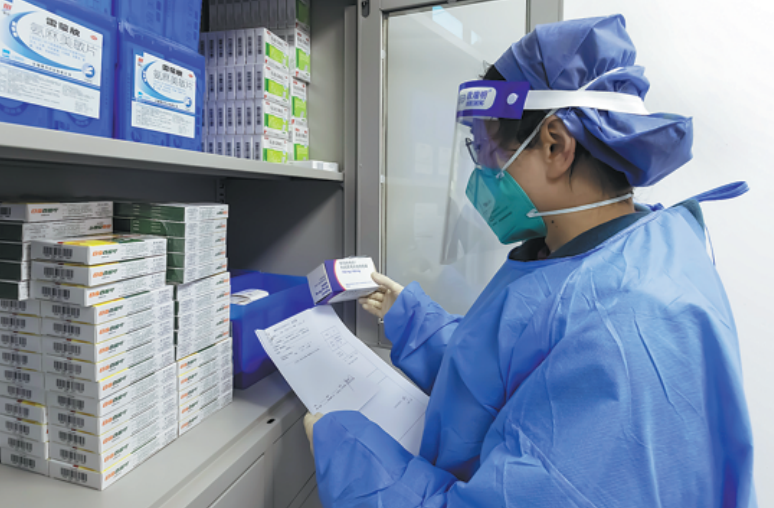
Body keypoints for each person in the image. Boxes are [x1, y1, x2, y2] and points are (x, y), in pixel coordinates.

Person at [303, 15, 756, 508]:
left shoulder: (628, 320)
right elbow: (514, 373)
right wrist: (413, 319)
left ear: (556, 145)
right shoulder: (605, 252)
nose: (482, 174)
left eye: (488, 149)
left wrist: (347, 453)